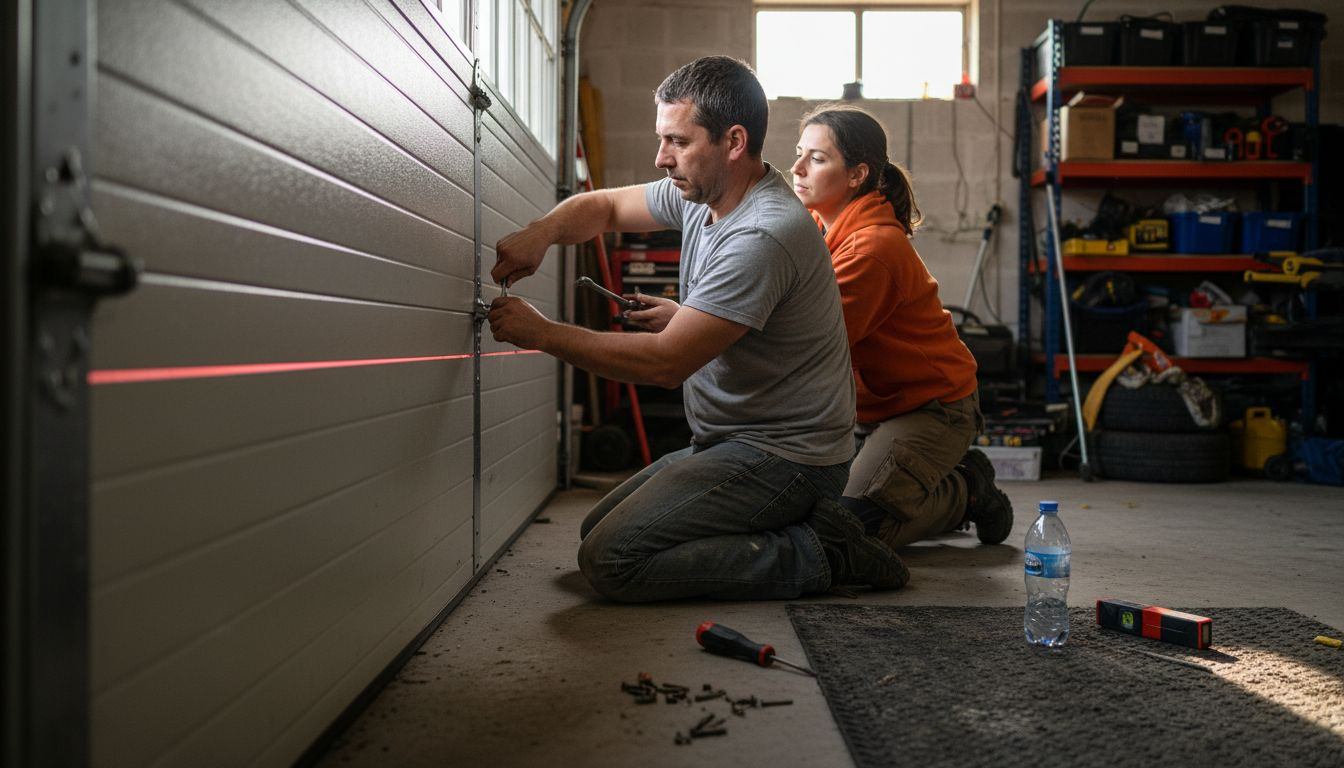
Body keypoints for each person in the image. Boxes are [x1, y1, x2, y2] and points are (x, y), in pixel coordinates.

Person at [486, 57, 907, 602]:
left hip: (786, 457)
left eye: (678, 142)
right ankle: (774, 529)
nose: (662, 158)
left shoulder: (763, 233)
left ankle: (822, 553)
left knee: (612, 558)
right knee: (597, 530)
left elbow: (665, 363)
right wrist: (540, 233)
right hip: (727, 440)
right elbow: (607, 206)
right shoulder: (704, 193)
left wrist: (542, 333)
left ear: (733, 142)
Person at [789, 104, 1013, 549]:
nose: (796, 168)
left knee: (851, 531)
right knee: (802, 509)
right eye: (799, 152)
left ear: (857, 175)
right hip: (871, 410)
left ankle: (967, 490)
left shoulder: (872, 248)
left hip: (933, 409)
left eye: (816, 158)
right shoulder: (816, 227)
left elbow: (808, 344)